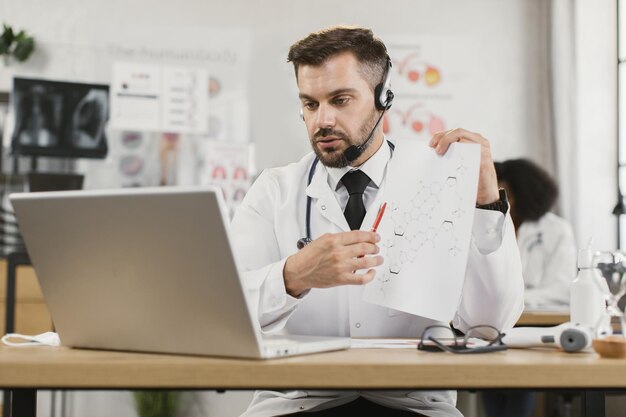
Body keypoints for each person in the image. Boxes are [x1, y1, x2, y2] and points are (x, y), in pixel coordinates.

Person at [230, 25, 524, 417]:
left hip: (414, 404)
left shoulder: (439, 181)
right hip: (297, 404)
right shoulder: (274, 191)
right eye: (311, 104)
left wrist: (486, 204)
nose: (322, 121)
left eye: (340, 99)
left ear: (383, 99)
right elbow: (228, 314)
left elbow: (490, 323)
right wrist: (293, 275)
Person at [481, 157, 577, 417]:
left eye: (506, 192)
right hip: (495, 326)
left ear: (524, 192)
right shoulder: (490, 224)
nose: (500, 197)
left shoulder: (555, 229)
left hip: (534, 327)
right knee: (490, 377)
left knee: (517, 381)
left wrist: (515, 296)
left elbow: (562, 289)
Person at [495, 158, 577, 308]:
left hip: (540, 320)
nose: (503, 205)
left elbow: (561, 290)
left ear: (525, 196)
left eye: (507, 197)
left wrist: (510, 300)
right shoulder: (488, 228)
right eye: (497, 197)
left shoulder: (556, 230)